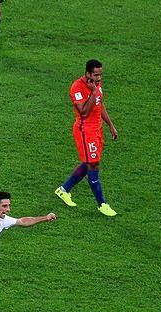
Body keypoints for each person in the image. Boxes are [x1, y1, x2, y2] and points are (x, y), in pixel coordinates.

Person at [55, 59, 120, 217]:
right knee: (93, 164)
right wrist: (93, 92)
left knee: (90, 161)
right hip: (85, 131)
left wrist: (111, 125)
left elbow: (100, 104)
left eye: (100, 75)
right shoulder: (77, 87)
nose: (99, 78)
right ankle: (102, 204)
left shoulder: (96, 84)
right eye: (96, 75)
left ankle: (64, 190)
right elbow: (84, 112)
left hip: (97, 130)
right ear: (88, 73)